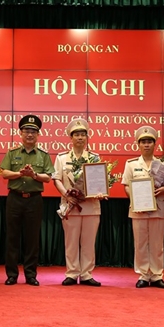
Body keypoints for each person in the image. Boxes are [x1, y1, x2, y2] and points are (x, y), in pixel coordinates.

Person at [0, 115, 55, 286]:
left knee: (32, 238)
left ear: (38, 134)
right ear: (21, 133)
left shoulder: (43, 155)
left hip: (34, 200)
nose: (30, 134)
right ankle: (11, 275)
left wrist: (34, 175)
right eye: (26, 131)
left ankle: (31, 275)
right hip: (15, 199)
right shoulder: (12, 153)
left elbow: (48, 178)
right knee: (12, 237)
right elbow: (4, 173)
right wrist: (20, 174)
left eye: (33, 131)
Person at [121, 125, 164, 289]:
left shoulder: (163, 164)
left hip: (158, 208)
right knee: (140, 243)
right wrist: (136, 199)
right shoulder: (131, 164)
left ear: (154, 144)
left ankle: (157, 275)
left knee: (157, 244)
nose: (146, 145)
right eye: (143, 142)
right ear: (138, 144)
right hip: (138, 209)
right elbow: (126, 186)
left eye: (149, 142)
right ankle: (144, 275)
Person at [52, 118, 103, 287]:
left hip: (90, 205)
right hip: (70, 205)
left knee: (88, 242)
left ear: (87, 137)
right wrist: (66, 195)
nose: (80, 137)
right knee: (71, 241)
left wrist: (100, 191)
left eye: (83, 134)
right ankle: (72, 273)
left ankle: (87, 274)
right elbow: (56, 179)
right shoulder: (61, 158)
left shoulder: (94, 157)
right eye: (77, 135)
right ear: (71, 137)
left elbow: (99, 180)